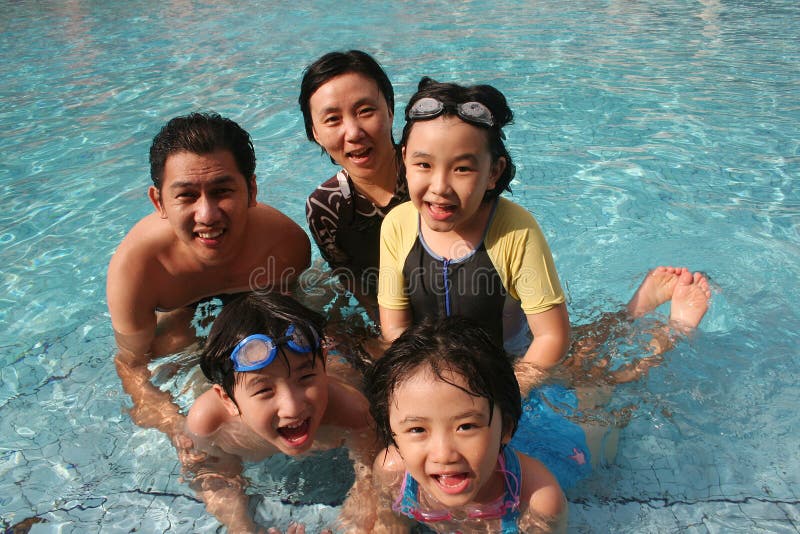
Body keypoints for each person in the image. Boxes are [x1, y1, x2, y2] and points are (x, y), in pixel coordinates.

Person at [107, 112, 311, 436]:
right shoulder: (138, 269)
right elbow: (132, 364)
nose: (207, 215)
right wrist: (175, 428)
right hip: (183, 324)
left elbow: (294, 318)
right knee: (172, 356)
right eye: (187, 196)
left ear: (251, 190)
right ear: (158, 201)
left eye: (222, 192)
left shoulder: (284, 245)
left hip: (256, 308)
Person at [378, 77, 570, 371]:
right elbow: (394, 330)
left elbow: (551, 336)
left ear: (494, 172)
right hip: (429, 373)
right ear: (404, 159)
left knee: (596, 387)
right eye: (424, 165)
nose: (440, 187)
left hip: (508, 370)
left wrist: (511, 395)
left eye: (462, 168)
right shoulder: (397, 225)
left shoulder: (516, 231)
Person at [181, 292, 375, 533]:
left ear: (322, 365)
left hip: (342, 358)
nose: (292, 407)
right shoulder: (210, 423)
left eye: (306, 378)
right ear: (227, 399)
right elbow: (216, 483)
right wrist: (245, 529)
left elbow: (374, 479)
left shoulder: (350, 411)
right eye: (264, 390)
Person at [364, 316, 567, 533]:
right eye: (417, 430)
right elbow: (389, 526)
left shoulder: (536, 500)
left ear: (507, 428)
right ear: (393, 434)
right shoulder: (394, 476)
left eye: (466, 426)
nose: (444, 455)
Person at [300, 50, 409, 314]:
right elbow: (353, 281)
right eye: (332, 119)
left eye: (365, 111)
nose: (353, 133)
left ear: (391, 110)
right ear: (315, 133)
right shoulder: (326, 207)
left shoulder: (431, 174)